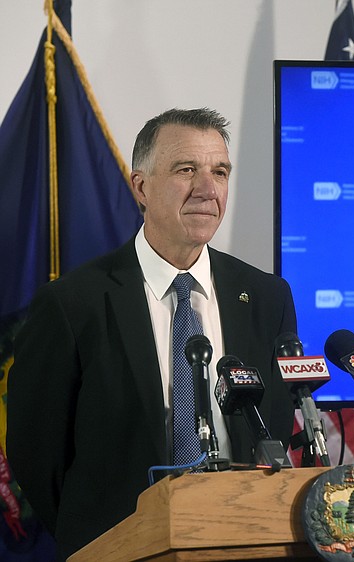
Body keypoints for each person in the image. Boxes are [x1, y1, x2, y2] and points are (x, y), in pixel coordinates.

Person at [7, 108, 297, 559]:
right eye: (187, 170)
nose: (207, 189)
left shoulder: (266, 296)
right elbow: (36, 451)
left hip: (242, 541)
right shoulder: (72, 304)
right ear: (140, 186)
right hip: (119, 547)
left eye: (219, 172)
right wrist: (98, 532)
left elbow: (275, 426)